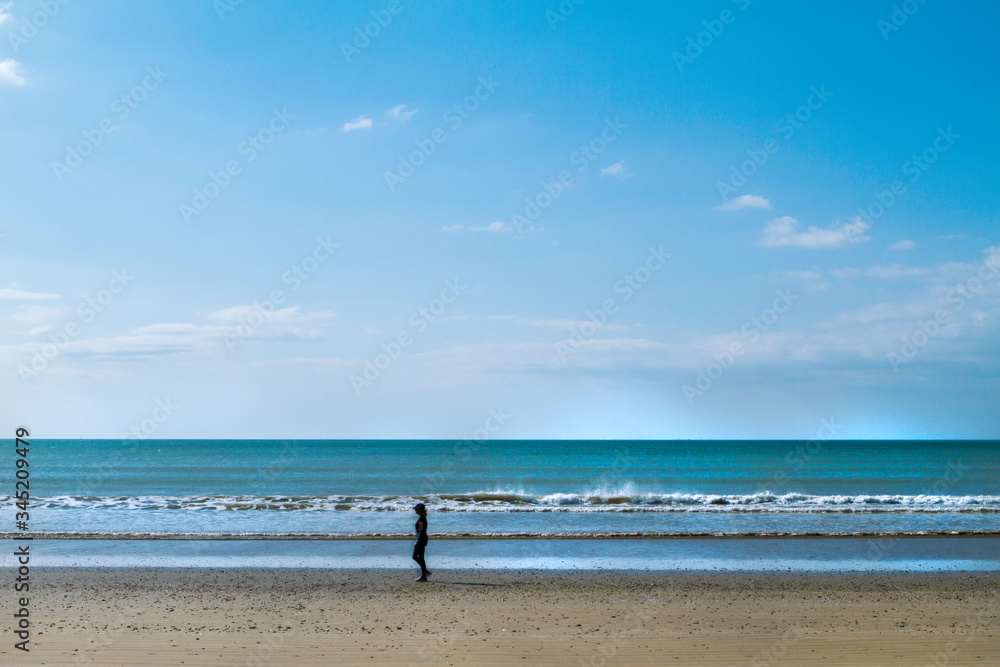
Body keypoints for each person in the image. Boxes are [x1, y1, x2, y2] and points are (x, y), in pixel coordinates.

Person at [412, 503, 430, 581]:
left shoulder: (422, 518)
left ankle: (424, 575)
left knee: (420, 557)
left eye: (416, 509)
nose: (415, 510)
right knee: (415, 556)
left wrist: (417, 540)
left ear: (419, 510)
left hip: (421, 539)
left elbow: (421, 531)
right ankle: (425, 571)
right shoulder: (421, 517)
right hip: (420, 539)